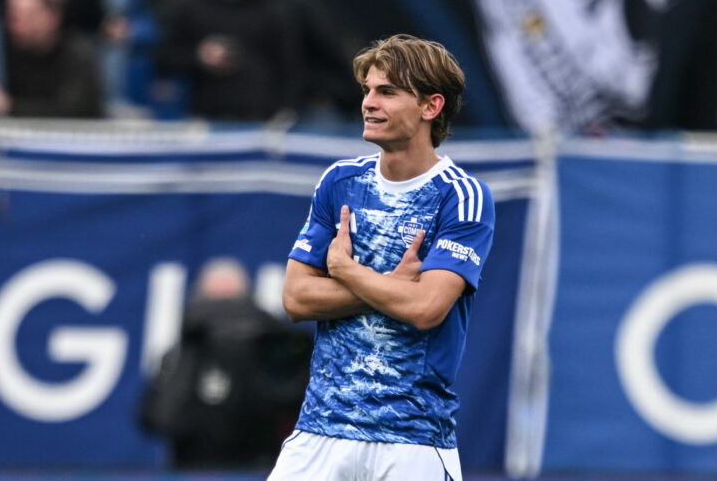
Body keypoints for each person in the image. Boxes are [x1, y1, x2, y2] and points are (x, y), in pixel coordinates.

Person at [269, 34, 495, 480]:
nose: (369, 103)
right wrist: (390, 284)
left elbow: (426, 307)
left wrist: (345, 271)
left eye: (387, 92)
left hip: (412, 440)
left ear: (431, 106)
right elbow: (296, 299)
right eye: (368, 90)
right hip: (319, 433)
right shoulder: (339, 181)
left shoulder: (462, 196)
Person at [138, 257, 312, 470]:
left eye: (233, 306)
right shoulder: (185, 353)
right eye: (214, 307)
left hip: (259, 468)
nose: (224, 318)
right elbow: (162, 418)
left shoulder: (272, 346)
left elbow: (300, 410)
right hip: (199, 469)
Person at [154, 0, 302, 121]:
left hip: (262, 124)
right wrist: (199, 56)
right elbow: (164, 58)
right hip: (206, 123)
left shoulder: (273, 9)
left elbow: (291, 69)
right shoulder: (190, 6)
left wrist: (285, 114)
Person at [0, 0, 102, 118]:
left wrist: (10, 106)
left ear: (53, 17)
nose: (13, 25)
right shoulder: (0, 51)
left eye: (27, 15)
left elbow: (74, 112)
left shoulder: (78, 53)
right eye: (11, 15)